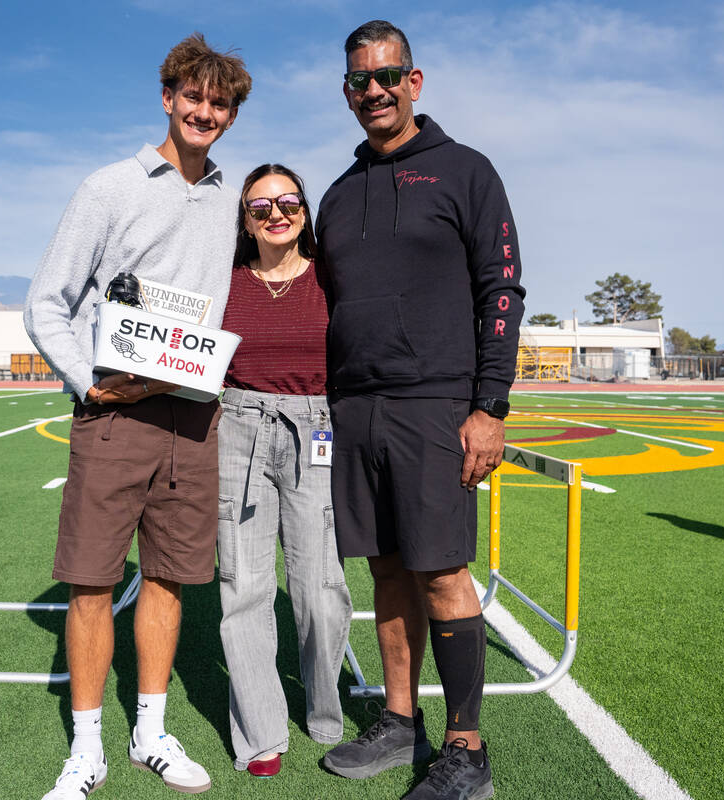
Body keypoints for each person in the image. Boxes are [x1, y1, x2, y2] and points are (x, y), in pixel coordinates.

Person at [23, 33, 251, 799]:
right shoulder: (108, 187)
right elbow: (45, 304)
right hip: (115, 418)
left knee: (168, 578)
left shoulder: (232, 199)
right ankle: (85, 749)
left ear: (230, 114)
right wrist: (90, 383)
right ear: (168, 97)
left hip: (193, 420)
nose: (204, 111)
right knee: (90, 583)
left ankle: (149, 732)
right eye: (194, 96)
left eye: (220, 103)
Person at [315, 20, 525, 800]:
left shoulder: (466, 173)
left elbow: (500, 291)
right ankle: (400, 720)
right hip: (357, 409)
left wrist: (490, 405)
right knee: (388, 570)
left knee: (440, 571)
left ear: (415, 81)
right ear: (347, 91)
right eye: (358, 81)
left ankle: (466, 750)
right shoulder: (336, 195)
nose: (373, 91)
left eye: (386, 76)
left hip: (436, 404)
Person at [216, 165, 353, 778]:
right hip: (238, 426)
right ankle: (260, 731)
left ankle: (324, 707)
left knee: (320, 587)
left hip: (315, 429)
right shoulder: (225, 282)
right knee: (244, 584)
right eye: (260, 206)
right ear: (244, 219)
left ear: (305, 209)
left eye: (288, 201)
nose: (276, 213)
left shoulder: (333, 278)